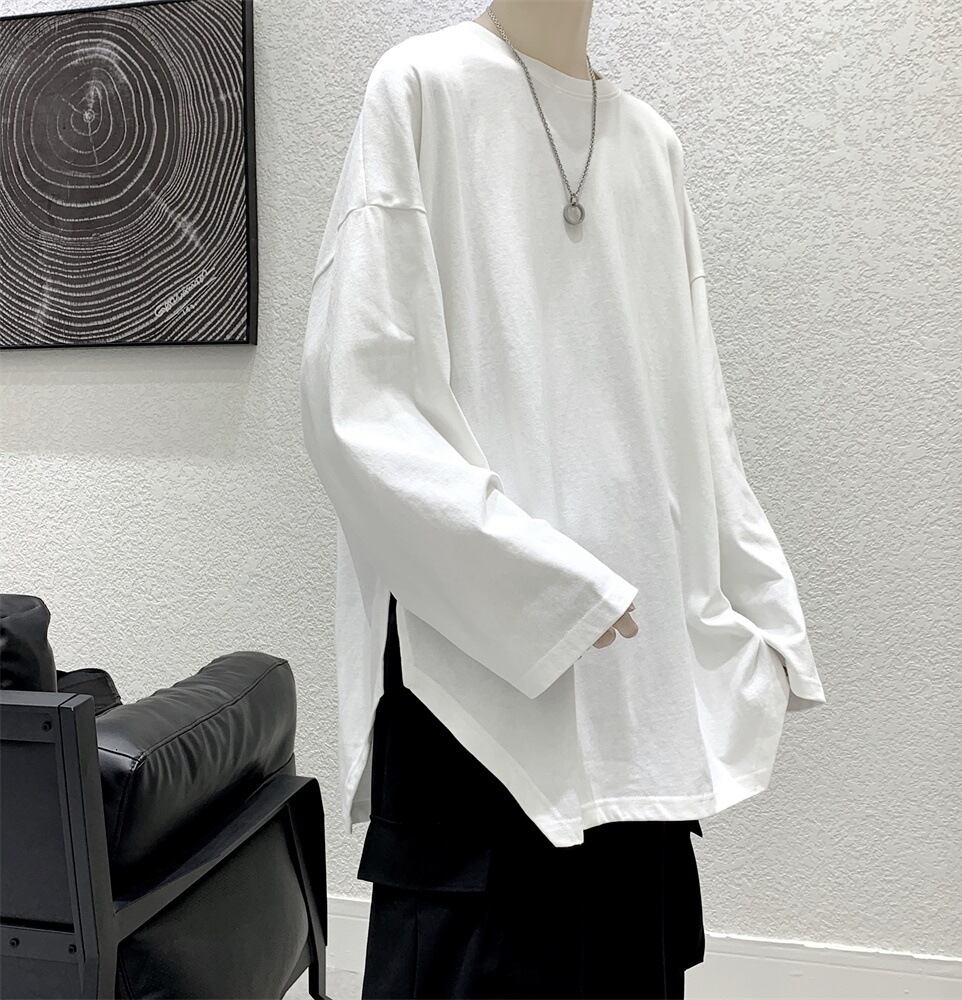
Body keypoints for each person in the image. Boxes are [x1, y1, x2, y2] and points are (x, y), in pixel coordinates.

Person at [300, 2, 827, 996]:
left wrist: (759, 608)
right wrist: (544, 585)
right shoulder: (422, 86)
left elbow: (693, 410)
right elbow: (358, 399)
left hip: (639, 692)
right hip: (473, 691)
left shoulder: (651, 144)